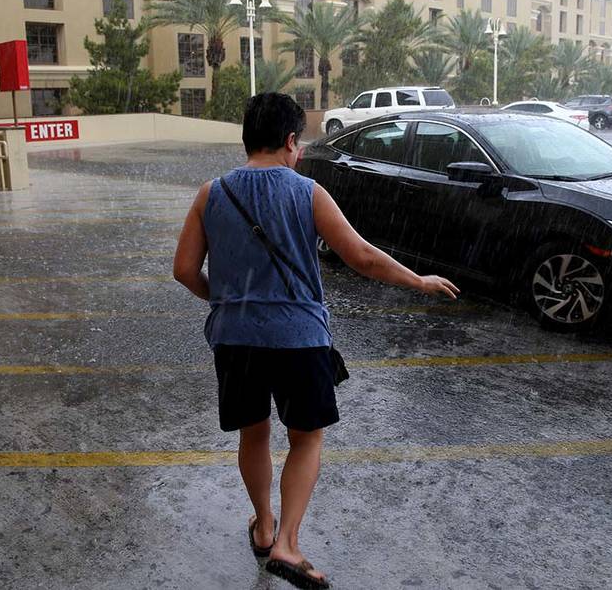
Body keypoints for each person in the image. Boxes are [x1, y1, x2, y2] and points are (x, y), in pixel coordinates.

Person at [173, 93, 458, 589]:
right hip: (299, 339)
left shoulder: (210, 193)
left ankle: (262, 527)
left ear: (247, 138)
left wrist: (228, 303)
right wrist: (418, 281)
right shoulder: (307, 192)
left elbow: (183, 271)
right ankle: (287, 543)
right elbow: (363, 258)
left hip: (235, 340)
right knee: (305, 439)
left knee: (254, 433)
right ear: (289, 141)